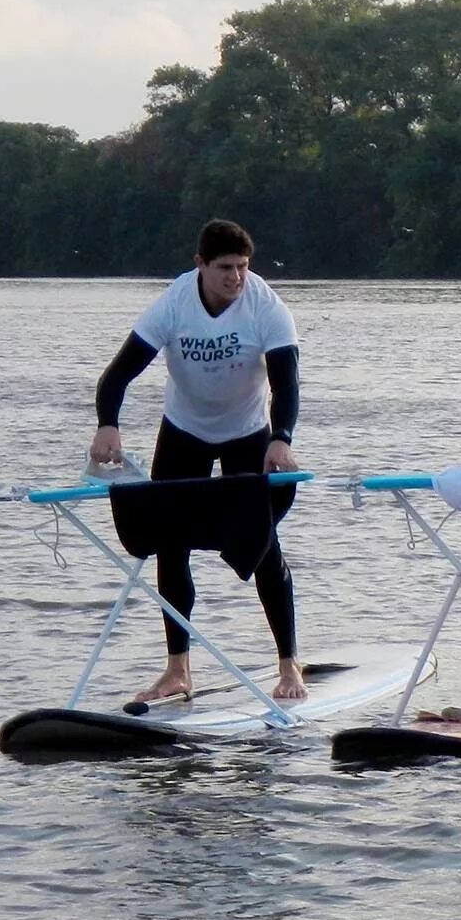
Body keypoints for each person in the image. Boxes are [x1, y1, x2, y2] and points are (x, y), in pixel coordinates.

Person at [89, 218, 308, 704]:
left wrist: (282, 437)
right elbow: (116, 375)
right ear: (200, 266)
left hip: (248, 435)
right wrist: (108, 424)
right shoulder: (174, 304)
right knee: (171, 545)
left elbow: (287, 385)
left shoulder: (266, 307)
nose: (236, 278)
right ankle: (177, 670)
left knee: (263, 543)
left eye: (243, 267)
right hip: (184, 431)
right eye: (225, 268)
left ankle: (290, 666)